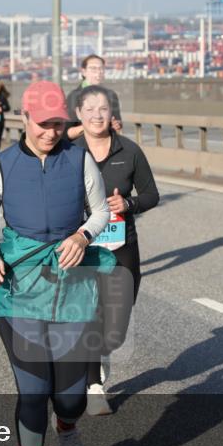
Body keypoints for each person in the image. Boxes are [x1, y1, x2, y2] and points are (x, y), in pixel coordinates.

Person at [0, 80, 113, 446]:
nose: (51, 132)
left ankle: (67, 427)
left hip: (71, 285)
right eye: (43, 124)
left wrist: (83, 236)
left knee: (70, 396)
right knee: (33, 389)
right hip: (20, 285)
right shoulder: (2, 165)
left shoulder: (80, 160)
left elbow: (101, 210)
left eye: (58, 124)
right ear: (25, 118)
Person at [74, 84, 160, 415]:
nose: (97, 115)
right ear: (79, 114)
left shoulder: (130, 151)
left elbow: (151, 195)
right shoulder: (69, 153)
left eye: (104, 109)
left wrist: (128, 203)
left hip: (122, 245)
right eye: (90, 109)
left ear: (112, 114)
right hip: (82, 247)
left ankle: (102, 351)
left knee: (116, 325)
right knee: (89, 313)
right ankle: (93, 385)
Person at [65, 54, 122, 140]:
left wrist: (116, 125)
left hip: (106, 144)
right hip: (81, 145)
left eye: (101, 68)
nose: (98, 72)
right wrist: (95, 125)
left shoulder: (111, 95)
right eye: (93, 68)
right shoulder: (74, 96)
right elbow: (67, 132)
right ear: (83, 72)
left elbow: (118, 123)